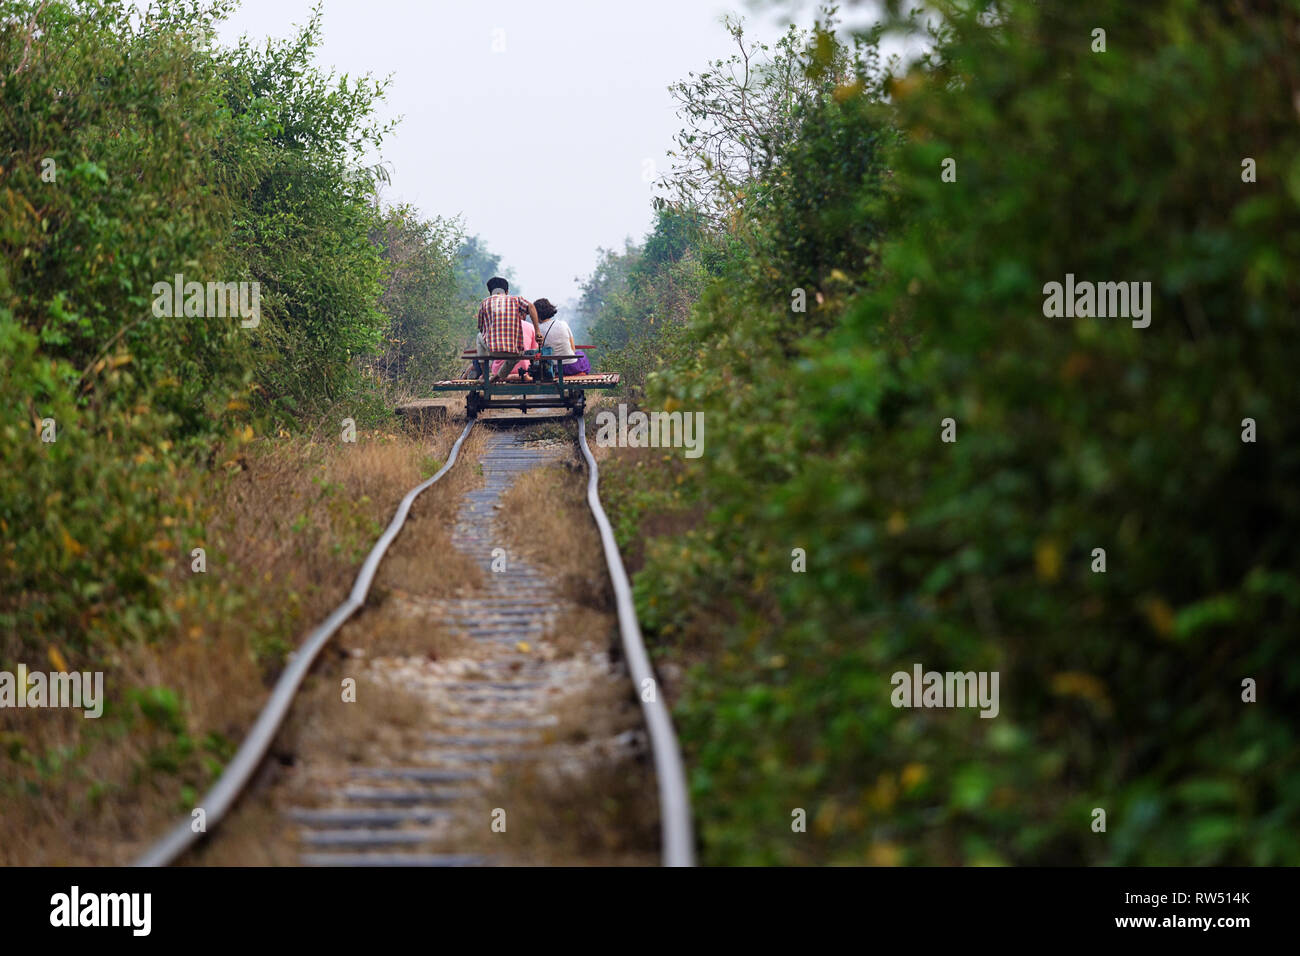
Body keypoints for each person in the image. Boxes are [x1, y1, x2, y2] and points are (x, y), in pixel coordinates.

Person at [475, 276, 540, 383]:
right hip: (513, 352)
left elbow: (481, 328)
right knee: (515, 357)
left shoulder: (485, 303)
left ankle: (485, 375)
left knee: (479, 336)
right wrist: (537, 331)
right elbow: (531, 307)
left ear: (490, 292)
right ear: (507, 291)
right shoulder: (516, 300)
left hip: (493, 351)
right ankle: (498, 376)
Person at [533, 298, 590, 379]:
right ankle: (580, 373)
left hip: (552, 369)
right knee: (581, 354)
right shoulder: (563, 324)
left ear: (536, 314)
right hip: (571, 367)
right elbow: (572, 349)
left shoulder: (537, 330)